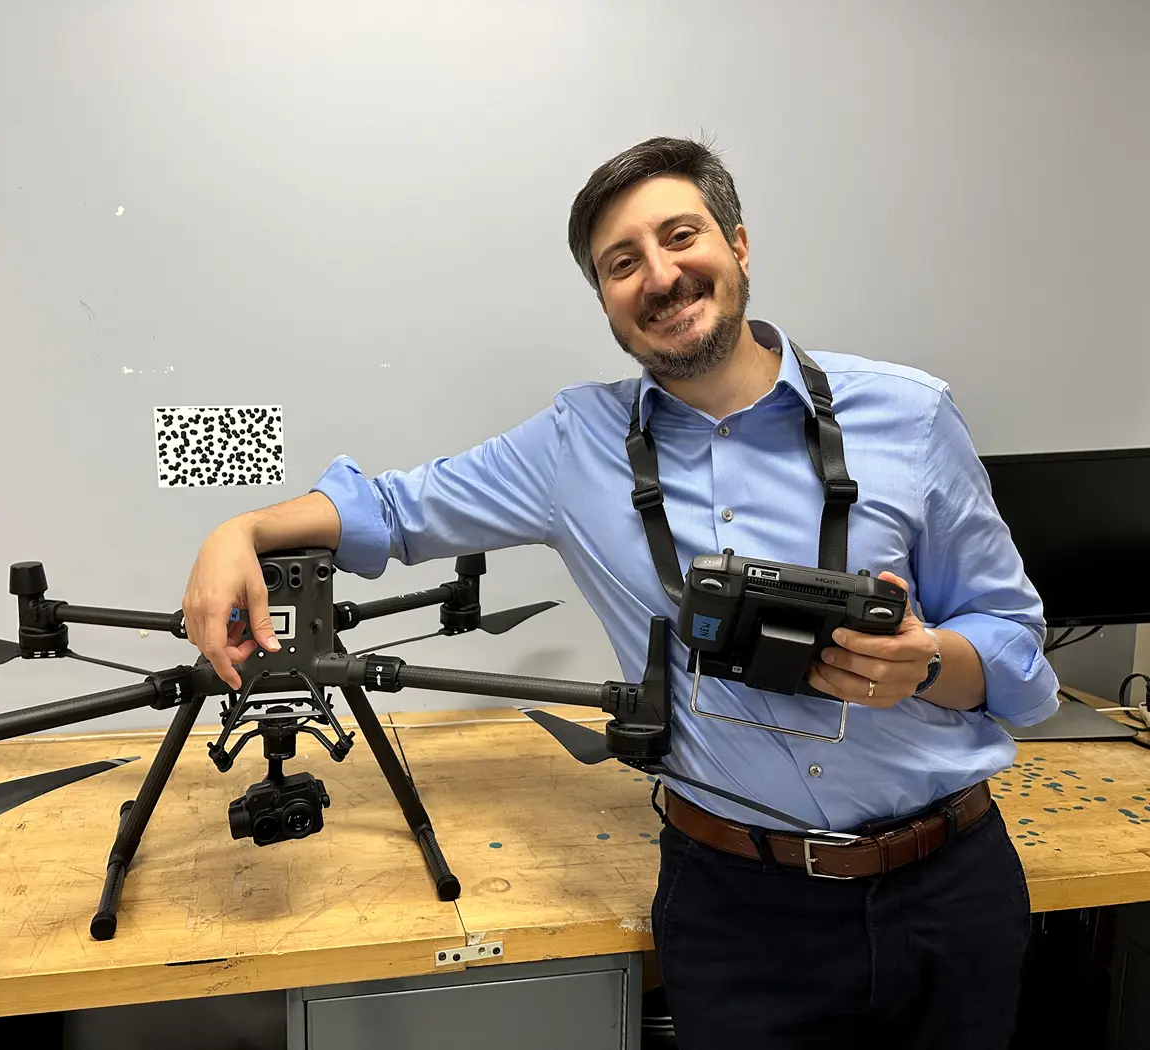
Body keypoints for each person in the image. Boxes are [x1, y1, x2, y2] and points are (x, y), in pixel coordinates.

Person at [181, 136, 1059, 1049]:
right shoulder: (575, 443)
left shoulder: (909, 415)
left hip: (948, 891)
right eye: (621, 263)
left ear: (740, 246)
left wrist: (925, 665)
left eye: (682, 236)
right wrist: (236, 531)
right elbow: (394, 509)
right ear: (605, 300)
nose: (661, 276)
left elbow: (1021, 661)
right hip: (737, 911)